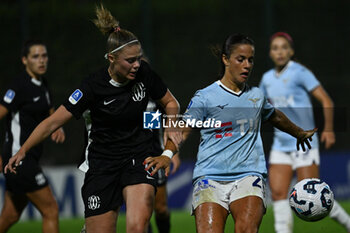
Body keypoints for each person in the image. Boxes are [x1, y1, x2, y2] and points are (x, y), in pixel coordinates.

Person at [5, 5, 180, 233]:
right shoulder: (92, 87)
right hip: (102, 167)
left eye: (138, 58)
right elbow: (52, 122)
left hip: (139, 159)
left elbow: (170, 102)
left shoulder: (144, 73)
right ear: (111, 58)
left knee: (137, 227)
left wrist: (170, 135)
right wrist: (23, 150)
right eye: (130, 60)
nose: (136, 64)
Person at [170, 33, 316, 233]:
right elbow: (184, 129)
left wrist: (299, 133)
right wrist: (168, 153)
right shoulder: (205, 97)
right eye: (241, 59)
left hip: (249, 175)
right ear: (225, 59)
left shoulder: (255, 96)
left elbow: (274, 116)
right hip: (209, 177)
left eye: (251, 60)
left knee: (246, 230)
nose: (247, 65)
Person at [259, 32, 350, 233]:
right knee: (279, 193)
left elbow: (326, 100)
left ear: (291, 51)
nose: (280, 52)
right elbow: (259, 107)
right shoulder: (266, 79)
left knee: (315, 195)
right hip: (280, 144)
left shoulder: (300, 72)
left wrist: (328, 129)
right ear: (270, 53)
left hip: (305, 143)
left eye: (284, 47)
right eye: (275, 48)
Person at [0, 39, 65, 233]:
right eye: (35, 56)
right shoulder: (18, 87)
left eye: (44, 56)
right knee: (51, 210)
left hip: (28, 158)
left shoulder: (42, 83)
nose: (41, 60)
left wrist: (57, 126)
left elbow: (50, 111)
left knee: (11, 214)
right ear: (24, 60)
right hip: (19, 159)